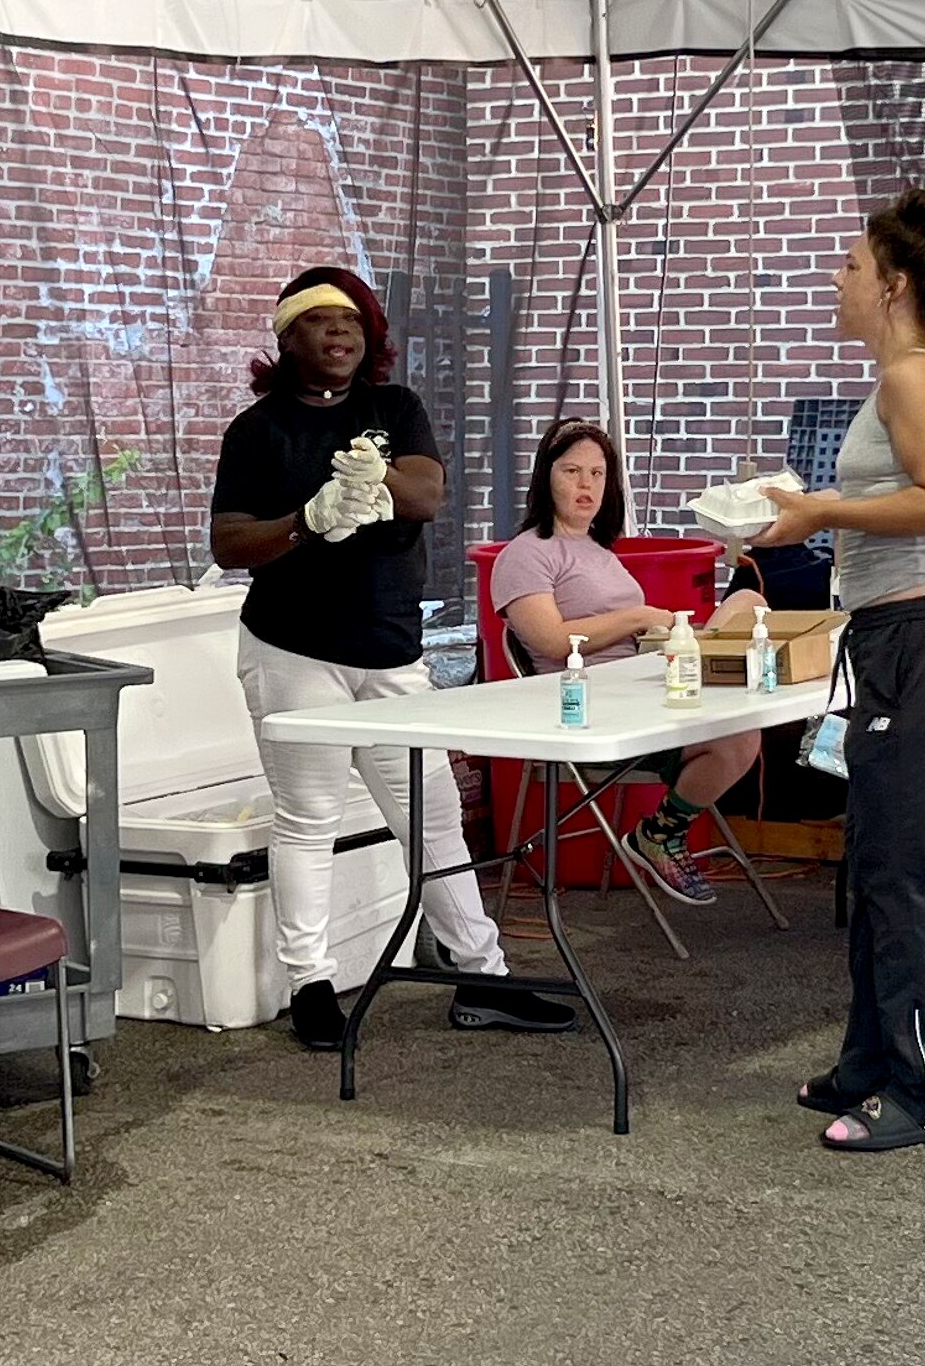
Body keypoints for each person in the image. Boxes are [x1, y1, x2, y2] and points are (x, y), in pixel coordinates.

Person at [213, 265, 571, 1046]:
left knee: (433, 818)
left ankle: (482, 978)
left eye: (352, 319)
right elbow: (229, 541)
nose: (339, 332)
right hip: (293, 650)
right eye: (320, 320)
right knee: (308, 820)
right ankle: (311, 987)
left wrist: (377, 478)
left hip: (391, 650)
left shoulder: (394, 408)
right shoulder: (258, 430)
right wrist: (307, 520)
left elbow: (428, 495)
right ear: (288, 337)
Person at [749, 186, 925, 1150]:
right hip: (894, 637)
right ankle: (868, 1063)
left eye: (852, 266)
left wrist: (821, 511)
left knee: (897, 870)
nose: (838, 278)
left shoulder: (917, 377)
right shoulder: (897, 377)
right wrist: (812, 512)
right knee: (872, 859)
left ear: (893, 284)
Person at [489, 417, 770, 906]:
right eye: (572, 471)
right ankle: (661, 834)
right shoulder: (527, 554)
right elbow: (553, 641)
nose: (586, 485)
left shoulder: (597, 549)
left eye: (597, 474)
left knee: (749, 605)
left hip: (642, 685)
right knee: (737, 738)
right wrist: (639, 617)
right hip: (587, 710)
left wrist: (659, 634)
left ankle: (661, 832)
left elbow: (621, 630)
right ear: (545, 478)